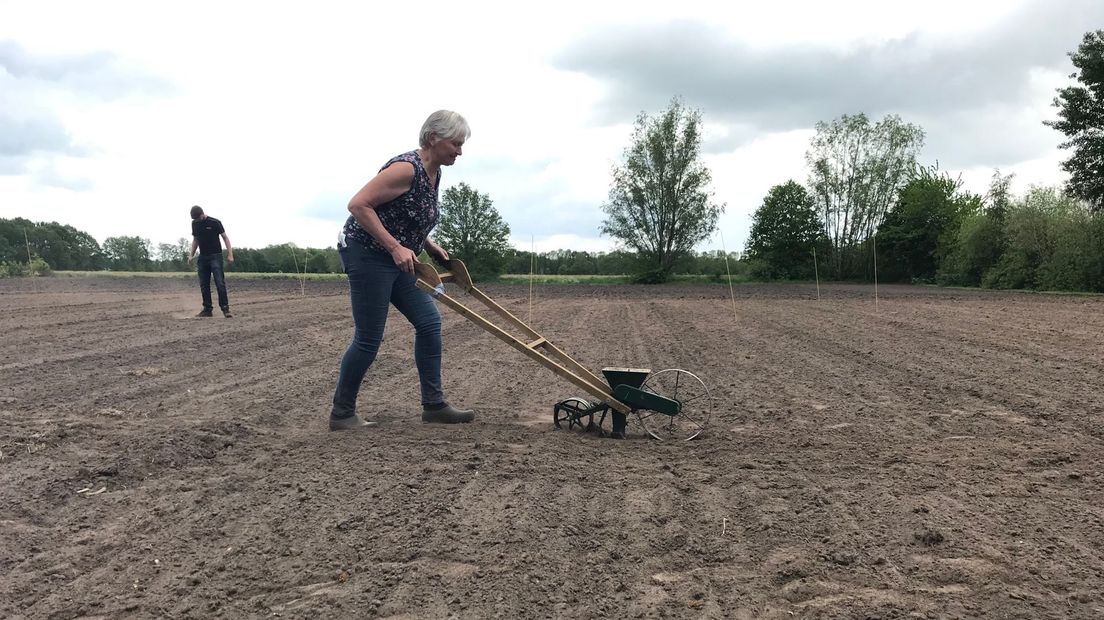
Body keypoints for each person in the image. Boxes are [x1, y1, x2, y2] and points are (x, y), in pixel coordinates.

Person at [329, 110, 475, 431]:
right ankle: (342, 413)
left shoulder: (435, 172)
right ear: (434, 138)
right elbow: (359, 205)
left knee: (429, 323)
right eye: (456, 144)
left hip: (400, 259)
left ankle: (434, 406)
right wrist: (395, 247)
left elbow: (404, 215)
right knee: (369, 338)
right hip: (367, 254)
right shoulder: (405, 169)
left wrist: (428, 243)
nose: (460, 151)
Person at [187, 205, 234, 318]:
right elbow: (196, 240)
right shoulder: (195, 224)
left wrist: (230, 254)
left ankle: (225, 309)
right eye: (195, 220)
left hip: (215, 256)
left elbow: (225, 238)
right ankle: (207, 310)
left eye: (198, 218)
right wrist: (191, 255)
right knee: (204, 284)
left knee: (219, 283)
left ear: (202, 214)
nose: (197, 221)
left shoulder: (215, 222)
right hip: (202, 257)